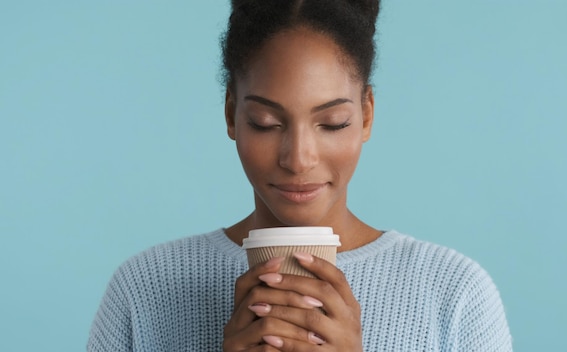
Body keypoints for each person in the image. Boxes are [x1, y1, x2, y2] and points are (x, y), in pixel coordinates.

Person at [88, 0, 513, 351]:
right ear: (232, 114)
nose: (298, 159)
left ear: (366, 114)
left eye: (331, 123)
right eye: (266, 122)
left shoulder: (453, 294)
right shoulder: (142, 290)